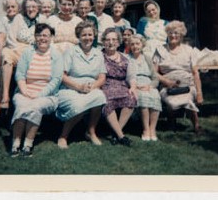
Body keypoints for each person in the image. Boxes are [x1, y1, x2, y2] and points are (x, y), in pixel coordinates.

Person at [10, 23, 63, 157]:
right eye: (38, 35)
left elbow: (56, 80)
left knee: (35, 106)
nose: (42, 38)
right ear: (34, 37)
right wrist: (24, 91)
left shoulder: (56, 55)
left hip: (48, 95)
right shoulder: (28, 52)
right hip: (24, 91)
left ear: (51, 37)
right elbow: (20, 74)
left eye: (45, 35)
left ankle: (28, 144)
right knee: (22, 105)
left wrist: (39, 94)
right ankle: (16, 144)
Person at [56, 21, 107, 149]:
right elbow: (62, 76)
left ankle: (91, 132)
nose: (87, 38)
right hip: (70, 87)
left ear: (94, 36)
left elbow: (102, 77)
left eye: (90, 34)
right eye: (84, 35)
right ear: (78, 36)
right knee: (79, 105)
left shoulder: (98, 53)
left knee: (99, 96)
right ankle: (63, 136)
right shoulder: (71, 51)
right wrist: (79, 87)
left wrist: (93, 86)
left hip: (90, 87)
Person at [152, 20, 204, 133]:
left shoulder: (189, 50)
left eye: (176, 33)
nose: (173, 35)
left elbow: (195, 73)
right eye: (170, 32)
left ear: (181, 35)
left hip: (188, 85)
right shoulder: (160, 50)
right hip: (168, 86)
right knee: (171, 102)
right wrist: (165, 81)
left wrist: (199, 93)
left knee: (188, 100)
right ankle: (171, 121)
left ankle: (196, 125)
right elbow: (153, 72)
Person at [0, 0, 29, 118]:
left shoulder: (20, 18)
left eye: (13, 6)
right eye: (8, 7)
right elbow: (1, 40)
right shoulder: (3, 20)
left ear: (18, 8)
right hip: (10, 49)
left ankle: (1, 102)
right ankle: (5, 97)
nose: (11, 9)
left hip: (22, 48)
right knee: (6, 58)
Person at [101, 28, 137, 146]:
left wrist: (133, 87)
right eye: (108, 40)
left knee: (131, 98)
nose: (111, 42)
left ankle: (116, 132)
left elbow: (131, 76)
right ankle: (121, 136)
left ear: (118, 42)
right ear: (103, 41)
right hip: (105, 85)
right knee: (107, 101)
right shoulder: (99, 56)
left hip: (122, 85)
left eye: (114, 39)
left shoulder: (125, 58)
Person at [128, 34, 162, 141]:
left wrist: (150, 86)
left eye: (137, 43)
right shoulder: (127, 58)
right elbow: (127, 76)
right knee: (143, 97)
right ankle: (146, 129)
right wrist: (134, 86)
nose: (135, 46)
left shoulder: (147, 58)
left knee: (155, 96)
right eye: (132, 44)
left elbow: (155, 78)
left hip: (148, 84)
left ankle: (153, 129)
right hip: (135, 84)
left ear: (142, 45)